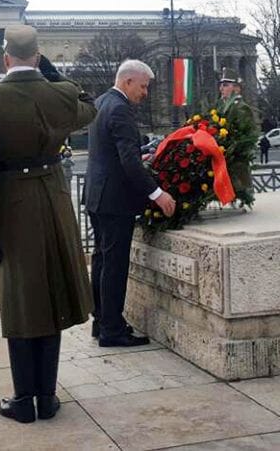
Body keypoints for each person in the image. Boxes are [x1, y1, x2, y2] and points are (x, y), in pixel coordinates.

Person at [0, 25, 96, 424]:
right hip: (53, 203)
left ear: (5, 59)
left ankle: (24, 400)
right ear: (38, 58)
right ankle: (47, 395)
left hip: (12, 208)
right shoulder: (59, 95)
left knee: (21, 303)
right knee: (53, 296)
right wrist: (54, 76)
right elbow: (89, 105)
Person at [86, 59, 176, 348]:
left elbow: (113, 153)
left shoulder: (102, 102)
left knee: (101, 261)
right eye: (143, 86)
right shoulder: (121, 110)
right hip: (115, 201)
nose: (145, 92)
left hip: (97, 196)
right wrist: (157, 194)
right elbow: (128, 163)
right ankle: (113, 330)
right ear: (127, 82)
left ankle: (101, 321)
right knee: (114, 265)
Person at [215, 67, 257, 203]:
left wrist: (231, 145)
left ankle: (244, 198)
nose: (221, 88)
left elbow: (246, 134)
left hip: (236, 156)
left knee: (241, 188)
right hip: (226, 153)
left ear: (237, 89)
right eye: (221, 85)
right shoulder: (223, 106)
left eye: (226, 85)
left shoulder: (240, 107)